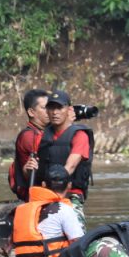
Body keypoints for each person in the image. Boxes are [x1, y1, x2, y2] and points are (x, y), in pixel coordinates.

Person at [11, 165, 84, 257]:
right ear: (69, 186)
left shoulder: (21, 210)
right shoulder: (64, 209)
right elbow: (80, 244)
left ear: (44, 185)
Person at [36, 89, 94, 226]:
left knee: (75, 230)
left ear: (69, 110)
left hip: (70, 193)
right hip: (45, 193)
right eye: (51, 108)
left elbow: (70, 166)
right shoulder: (42, 136)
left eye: (59, 108)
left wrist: (56, 191)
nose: (55, 112)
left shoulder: (79, 135)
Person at [10, 89, 49, 202]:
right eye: (44, 108)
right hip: (35, 196)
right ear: (31, 112)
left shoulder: (45, 132)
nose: (50, 111)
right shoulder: (29, 136)